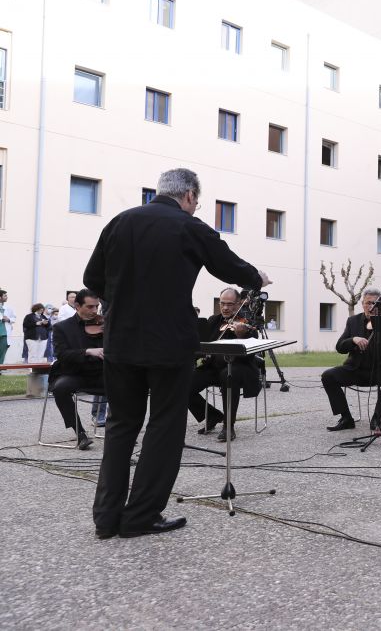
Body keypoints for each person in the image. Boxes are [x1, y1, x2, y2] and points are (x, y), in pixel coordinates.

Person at [86, 167, 269, 540]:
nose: (195, 206)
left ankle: (106, 518)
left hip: (120, 341)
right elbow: (228, 265)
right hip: (168, 343)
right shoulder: (190, 226)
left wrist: (124, 301)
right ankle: (140, 516)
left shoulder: (120, 222)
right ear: (189, 196)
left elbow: (92, 279)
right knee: (164, 426)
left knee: (121, 425)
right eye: (196, 201)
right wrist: (257, 278)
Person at [321, 288, 381, 435]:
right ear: (362, 304)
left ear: (380, 306)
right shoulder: (353, 321)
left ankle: (376, 419)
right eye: (368, 303)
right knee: (328, 376)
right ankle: (346, 418)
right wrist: (353, 340)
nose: (371, 307)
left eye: (375, 304)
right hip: (355, 369)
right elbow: (340, 347)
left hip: (379, 370)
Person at [188, 288, 262, 441]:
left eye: (230, 304)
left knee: (228, 375)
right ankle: (213, 416)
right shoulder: (213, 321)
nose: (226, 308)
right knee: (184, 385)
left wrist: (241, 336)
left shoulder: (247, 324)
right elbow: (202, 344)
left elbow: (250, 354)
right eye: (222, 303)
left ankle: (229, 426)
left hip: (240, 368)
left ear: (239, 304)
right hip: (213, 368)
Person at [48, 289, 105, 450]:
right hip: (76, 373)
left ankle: (122, 432)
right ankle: (80, 434)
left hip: (101, 373)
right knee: (60, 388)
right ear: (78, 306)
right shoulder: (62, 328)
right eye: (90, 307)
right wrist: (87, 351)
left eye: (97, 306)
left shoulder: (105, 324)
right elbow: (62, 355)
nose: (94, 311)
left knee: (126, 385)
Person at [0, 289, 12, 366]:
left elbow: (14, 317)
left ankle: (0, 368)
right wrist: (2, 318)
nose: (7, 297)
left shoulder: (8, 308)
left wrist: (8, 319)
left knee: (2, 352)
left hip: (4, 334)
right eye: (5, 296)